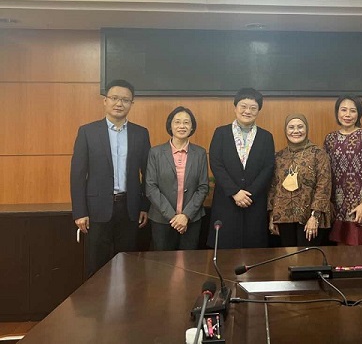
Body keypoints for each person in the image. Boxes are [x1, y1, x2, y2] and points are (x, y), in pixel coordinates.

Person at [71, 79, 150, 277]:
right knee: (96, 265)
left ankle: (125, 307)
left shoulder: (140, 133)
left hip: (129, 208)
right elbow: (78, 174)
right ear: (105, 101)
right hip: (97, 210)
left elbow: (147, 173)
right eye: (114, 98)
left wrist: (144, 206)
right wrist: (80, 212)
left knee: (128, 265)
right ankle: (97, 307)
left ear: (132, 104)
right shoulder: (87, 132)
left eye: (125, 100)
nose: (119, 103)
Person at [207, 88, 275, 249]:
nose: (247, 111)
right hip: (226, 201)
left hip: (254, 201)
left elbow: (268, 167)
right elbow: (216, 164)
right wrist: (235, 192)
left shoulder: (266, 137)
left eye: (253, 108)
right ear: (235, 107)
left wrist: (249, 193)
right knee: (225, 250)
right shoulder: (221, 133)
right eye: (243, 106)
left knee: (253, 251)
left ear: (258, 110)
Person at [145, 106, 209, 250]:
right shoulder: (156, 152)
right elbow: (150, 187)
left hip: (191, 220)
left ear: (192, 127)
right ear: (170, 125)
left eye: (186, 122)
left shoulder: (199, 153)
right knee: (162, 266)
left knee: (189, 265)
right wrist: (173, 217)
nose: (182, 126)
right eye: (177, 122)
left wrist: (185, 215)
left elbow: (203, 187)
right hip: (161, 220)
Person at [268, 114, 332, 247]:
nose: (296, 131)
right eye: (291, 127)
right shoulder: (279, 156)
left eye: (300, 127)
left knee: (307, 261)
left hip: (310, 218)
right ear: (286, 131)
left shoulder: (318, 154)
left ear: (306, 129)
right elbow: (273, 187)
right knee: (289, 261)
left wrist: (315, 216)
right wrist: (272, 217)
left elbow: (324, 186)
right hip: (283, 218)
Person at [324, 95, 362, 245]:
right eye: (343, 110)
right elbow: (326, 175)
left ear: (359, 114)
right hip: (336, 207)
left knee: (360, 257)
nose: (347, 115)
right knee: (339, 256)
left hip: (359, 206)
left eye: (352, 111)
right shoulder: (330, 139)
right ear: (337, 112)